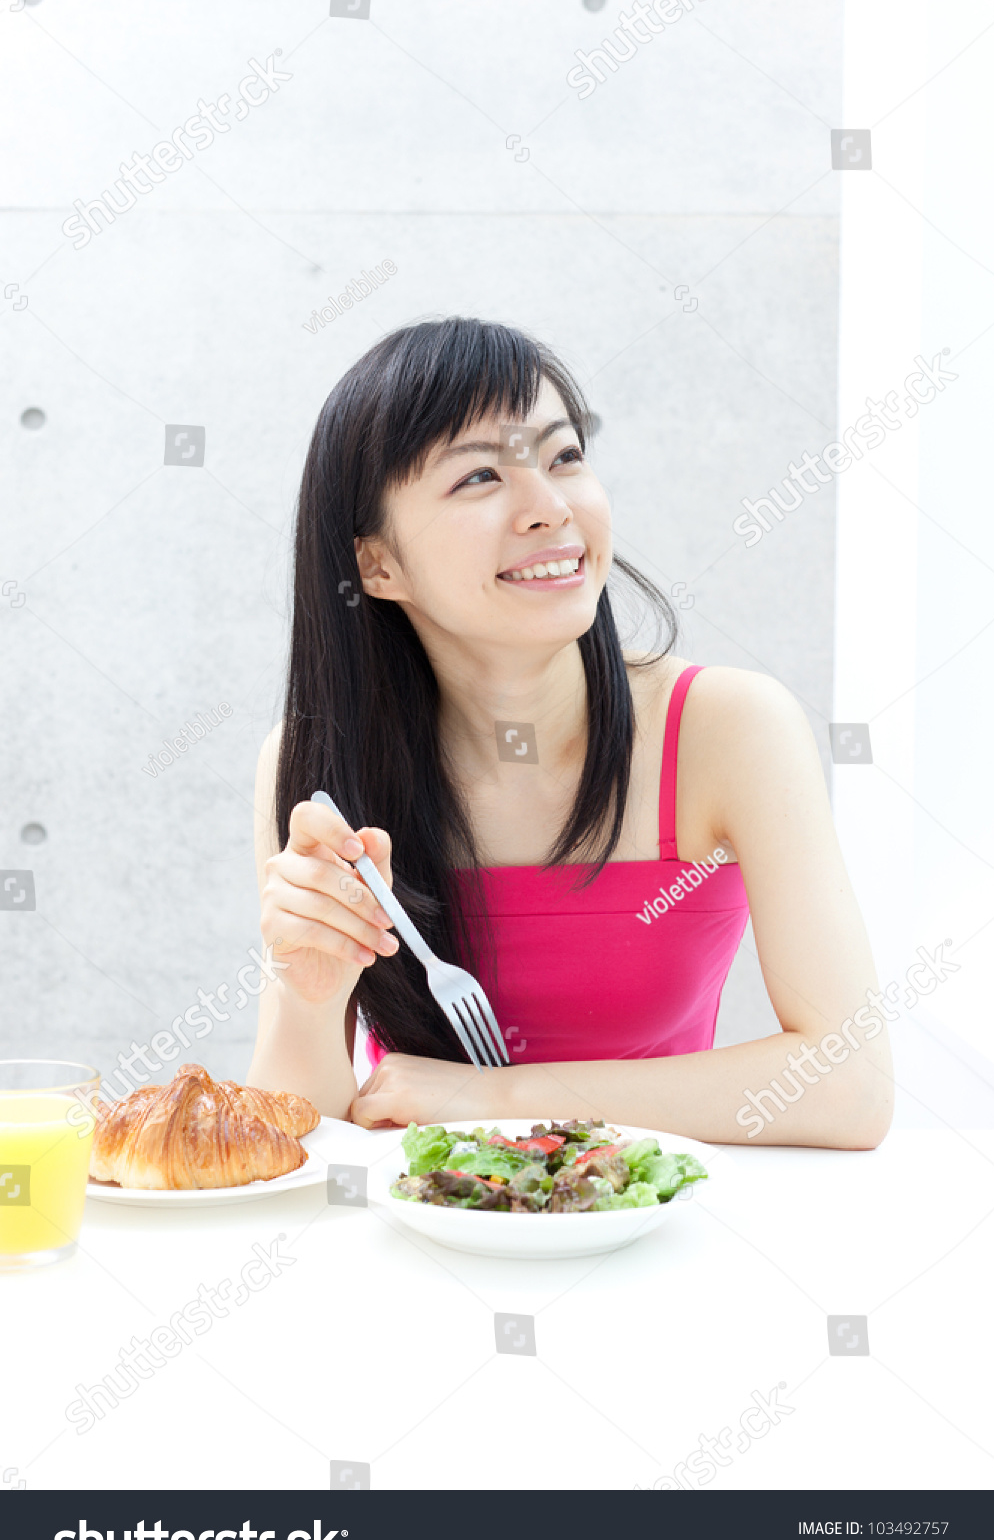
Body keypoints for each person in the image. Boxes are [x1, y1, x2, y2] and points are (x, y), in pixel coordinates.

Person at [246, 317, 893, 1148]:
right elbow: (290, 1135)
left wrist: (497, 1097)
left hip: (653, 1222)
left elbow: (847, 1088)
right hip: (426, 1227)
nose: (551, 508)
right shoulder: (314, 771)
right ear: (378, 565)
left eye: (563, 457)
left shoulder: (728, 729)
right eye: (481, 475)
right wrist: (310, 990)